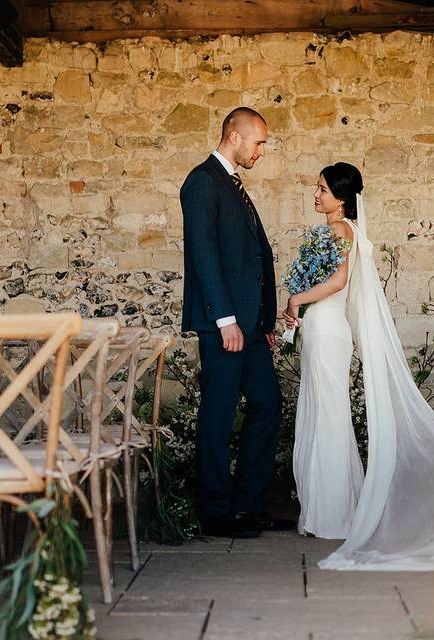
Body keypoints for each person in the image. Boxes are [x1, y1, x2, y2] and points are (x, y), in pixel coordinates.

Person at [283, 163, 434, 569]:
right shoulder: (344, 231)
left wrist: (296, 300)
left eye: (322, 189)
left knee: (329, 417)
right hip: (324, 328)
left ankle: (331, 514)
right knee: (324, 413)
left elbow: (337, 283)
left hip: (327, 329)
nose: (315, 195)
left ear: (341, 196)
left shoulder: (339, 231)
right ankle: (329, 510)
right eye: (316, 188)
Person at [180, 107, 293, 538]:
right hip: (223, 324)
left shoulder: (233, 186)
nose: (261, 151)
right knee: (219, 412)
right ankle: (215, 510)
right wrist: (226, 319)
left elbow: (253, 258)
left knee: (267, 402)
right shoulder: (202, 181)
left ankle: (249, 505)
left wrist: (264, 319)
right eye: (259, 142)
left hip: (250, 327)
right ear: (234, 135)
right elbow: (204, 253)